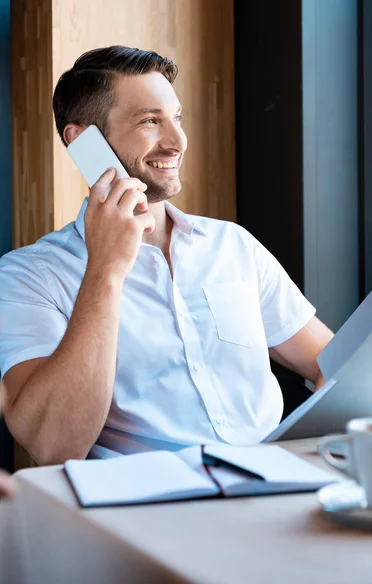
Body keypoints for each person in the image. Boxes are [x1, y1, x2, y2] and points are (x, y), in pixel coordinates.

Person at [0, 46, 333, 465]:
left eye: (175, 117)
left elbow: (333, 368)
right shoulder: (28, 276)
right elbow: (53, 445)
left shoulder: (233, 246)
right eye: (150, 121)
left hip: (276, 485)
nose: (178, 141)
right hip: (148, 509)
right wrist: (106, 269)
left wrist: (316, 456)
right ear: (83, 142)